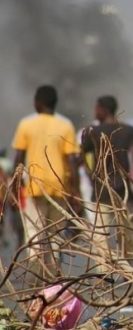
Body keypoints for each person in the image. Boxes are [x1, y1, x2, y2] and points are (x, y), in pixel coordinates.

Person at [11, 85, 81, 280]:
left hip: (34, 186)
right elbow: (72, 161)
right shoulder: (65, 125)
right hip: (59, 187)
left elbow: (18, 157)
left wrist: (15, 188)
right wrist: (75, 191)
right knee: (56, 233)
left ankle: (36, 273)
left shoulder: (26, 124)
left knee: (34, 230)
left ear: (38, 103)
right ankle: (54, 275)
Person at [81, 96, 133, 273]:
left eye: (96, 108)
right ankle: (128, 271)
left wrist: (91, 175)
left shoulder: (93, 131)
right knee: (127, 235)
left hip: (102, 191)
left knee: (100, 236)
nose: (95, 112)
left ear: (103, 110)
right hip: (125, 190)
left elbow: (80, 157)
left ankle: (104, 273)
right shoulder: (127, 130)